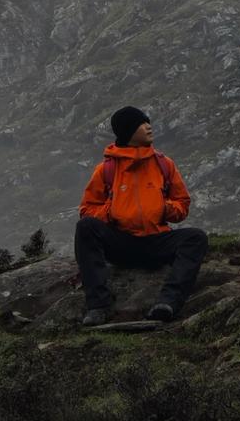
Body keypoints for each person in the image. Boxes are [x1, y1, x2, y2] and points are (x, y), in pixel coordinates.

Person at [75, 107, 208, 327]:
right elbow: (87, 209)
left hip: (156, 241)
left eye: (148, 122)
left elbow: (182, 205)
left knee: (196, 238)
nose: (148, 126)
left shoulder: (164, 164)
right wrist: (110, 211)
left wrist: (164, 208)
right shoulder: (106, 169)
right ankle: (98, 306)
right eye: (141, 123)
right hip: (121, 242)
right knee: (86, 227)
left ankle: (168, 303)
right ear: (128, 130)